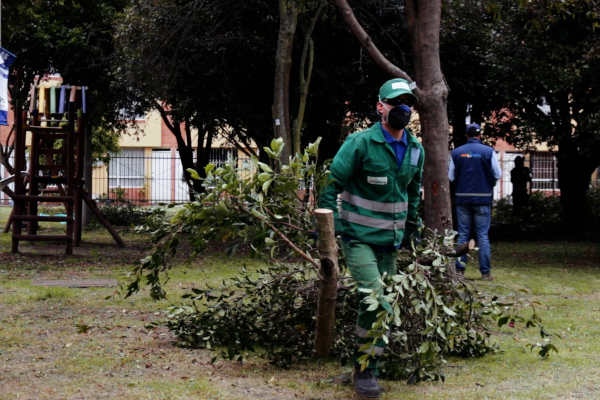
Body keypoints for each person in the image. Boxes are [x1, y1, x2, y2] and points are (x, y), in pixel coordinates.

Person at [318, 78, 424, 398]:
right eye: (395, 102)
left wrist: (413, 230)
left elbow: (413, 194)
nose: (402, 109)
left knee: (384, 305)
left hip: (390, 245)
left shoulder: (416, 150)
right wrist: (328, 231)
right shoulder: (360, 143)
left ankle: (370, 362)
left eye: (408, 102)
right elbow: (331, 185)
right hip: (358, 239)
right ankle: (365, 371)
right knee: (375, 299)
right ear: (380, 107)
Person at [448, 123, 502, 281]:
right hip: (483, 199)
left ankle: (459, 271)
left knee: (463, 234)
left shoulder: (457, 152)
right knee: (483, 236)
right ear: (480, 135)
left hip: (462, 198)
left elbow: (451, 177)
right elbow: (497, 174)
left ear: (466, 136)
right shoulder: (488, 151)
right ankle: (485, 273)